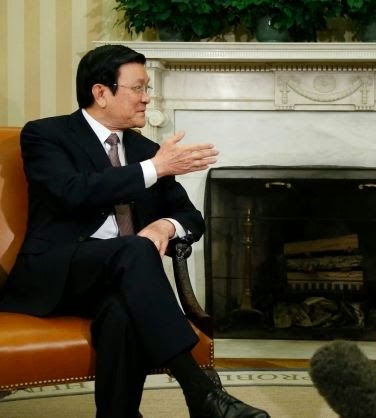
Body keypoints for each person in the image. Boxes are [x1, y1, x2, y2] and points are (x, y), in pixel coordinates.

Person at [0, 44, 269, 418]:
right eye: (138, 88)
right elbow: (71, 192)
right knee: (135, 249)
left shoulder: (146, 149)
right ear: (101, 92)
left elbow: (191, 218)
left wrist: (164, 225)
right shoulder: (47, 134)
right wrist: (155, 169)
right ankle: (199, 390)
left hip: (119, 278)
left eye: (148, 89)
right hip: (57, 273)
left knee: (123, 311)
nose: (146, 98)